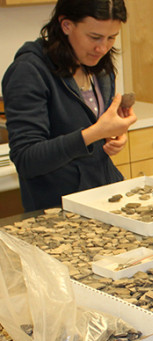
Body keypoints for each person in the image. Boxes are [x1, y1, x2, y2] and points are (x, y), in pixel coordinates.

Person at [2, 0, 137, 212]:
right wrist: (94, 133)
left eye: (111, 38)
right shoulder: (28, 71)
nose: (102, 47)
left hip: (103, 197)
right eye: (94, 37)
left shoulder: (98, 64)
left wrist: (112, 135)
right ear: (66, 25)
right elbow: (27, 159)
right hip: (58, 209)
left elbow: (88, 125)